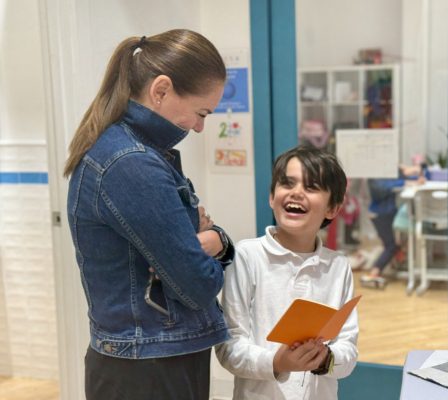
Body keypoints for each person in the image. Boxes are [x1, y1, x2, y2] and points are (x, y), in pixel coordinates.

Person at [64, 29, 235, 400]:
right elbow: (196, 285)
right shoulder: (131, 163)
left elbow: (192, 249)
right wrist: (203, 249)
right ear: (160, 90)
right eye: (201, 112)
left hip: (152, 357)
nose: (201, 126)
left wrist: (213, 241)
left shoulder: (134, 151)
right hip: (149, 367)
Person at [216, 146, 358, 400]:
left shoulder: (338, 266)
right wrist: (277, 362)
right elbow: (229, 348)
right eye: (287, 184)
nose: (296, 193)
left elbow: (348, 349)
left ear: (333, 209)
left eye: (311, 187)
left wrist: (326, 359)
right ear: (272, 197)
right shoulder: (247, 256)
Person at [360, 165, 424, 288]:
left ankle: (380, 269)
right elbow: (383, 189)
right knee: (391, 245)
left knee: (393, 244)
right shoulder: (374, 178)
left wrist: (414, 172)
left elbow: (404, 178)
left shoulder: (389, 173)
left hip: (387, 213)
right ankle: (375, 272)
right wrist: (406, 178)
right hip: (380, 214)